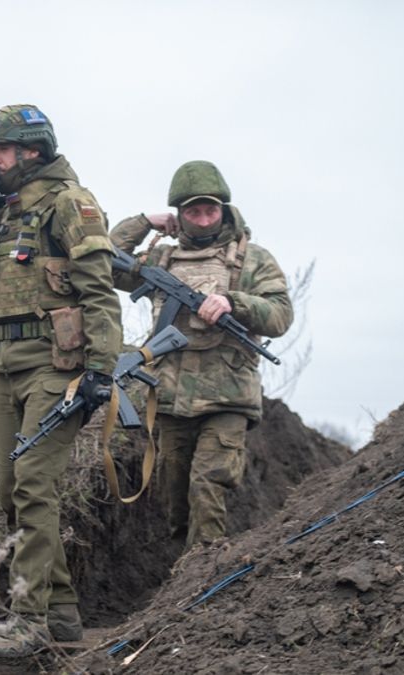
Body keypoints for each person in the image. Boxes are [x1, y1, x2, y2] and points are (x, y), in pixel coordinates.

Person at [0, 104, 122, 658]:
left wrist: (102, 367)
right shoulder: (2, 210)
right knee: (11, 492)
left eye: (0, 150)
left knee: (31, 485)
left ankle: (29, 621)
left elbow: (99, 291)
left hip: (56, 367)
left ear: (32, 152)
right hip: (4, 368)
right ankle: (64, 614)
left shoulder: (71, 203)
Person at [110, 160, 293, 550]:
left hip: (228, 396)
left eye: (212, 210)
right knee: (174, 497)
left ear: (224, 210)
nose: (205, 219)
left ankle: (204, 575)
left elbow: (280, 315)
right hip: (171, 397)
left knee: (207, 485)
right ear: (179, 216)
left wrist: (233, 302)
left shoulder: (252, 258)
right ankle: (181, 581)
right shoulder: (161, 258)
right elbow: (104, 261)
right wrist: (143, 222)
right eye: (194, 211)